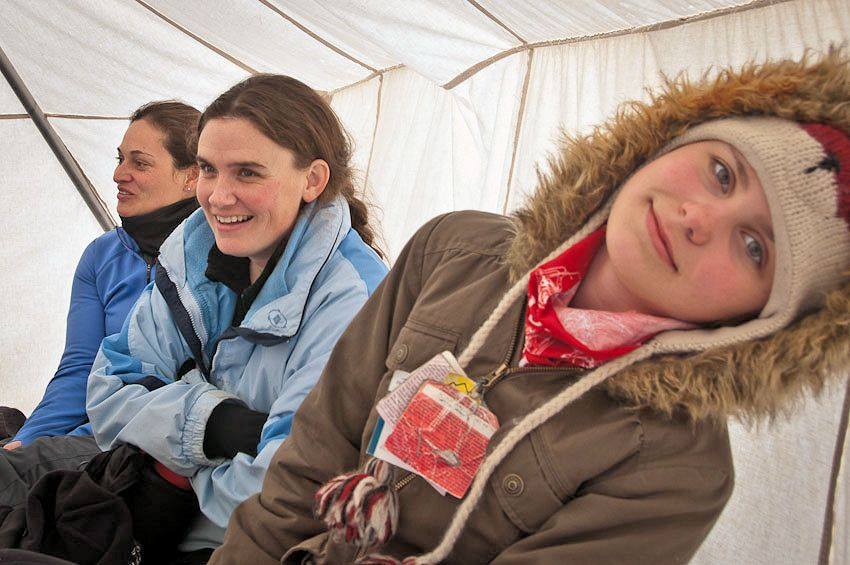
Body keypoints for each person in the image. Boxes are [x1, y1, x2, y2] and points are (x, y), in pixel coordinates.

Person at [210, 49, 850, 564]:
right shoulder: (454, 249)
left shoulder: (674, 467)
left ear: (773, 315)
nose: (698, 219)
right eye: (722, 173)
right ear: (676, 139)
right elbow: (307, 464)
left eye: (754, 246)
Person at [84, 74, 388, 561]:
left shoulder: (353, 299)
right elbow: (108, 390)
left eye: (247, 173)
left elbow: (289, 487)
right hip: (156, 527)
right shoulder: (191, 256)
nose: (219, 197)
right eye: (208, 169)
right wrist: (214, 425)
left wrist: (173, 461)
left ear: (312, 180)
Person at [0, 101, 200, 470]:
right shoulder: (103, 255)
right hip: (92, 437)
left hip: (159, 441)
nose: (119, 174)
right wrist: (27, 440)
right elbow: (80, 369)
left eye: (139, 163)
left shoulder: (217, 254)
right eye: (120, 159)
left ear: (191, 177)